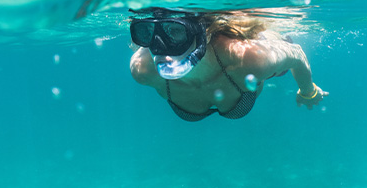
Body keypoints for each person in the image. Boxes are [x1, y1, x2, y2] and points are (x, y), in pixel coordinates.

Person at [129, 8, 329, 122]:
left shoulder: (248, 58)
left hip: (252, 47)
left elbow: (297, 54)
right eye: (146, 33)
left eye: (176, 31)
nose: (159, 47)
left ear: (203, 33)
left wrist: (307, 91)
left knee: (277, 63)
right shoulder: (143, 69)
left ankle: (278, 38)